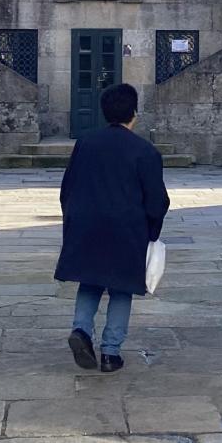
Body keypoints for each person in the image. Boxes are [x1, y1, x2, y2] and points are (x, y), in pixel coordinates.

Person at [55, 83, 171, 373]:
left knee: (90, 280)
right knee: (121, 289)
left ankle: (81, 330)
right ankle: (110, 352)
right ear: (134, 113)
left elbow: (67, 188)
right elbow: (157, 200)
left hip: (86, 224)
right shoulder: (145, 151)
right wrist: (151, 233)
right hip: (126, 228)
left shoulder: (85, 143)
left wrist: (71, 220)